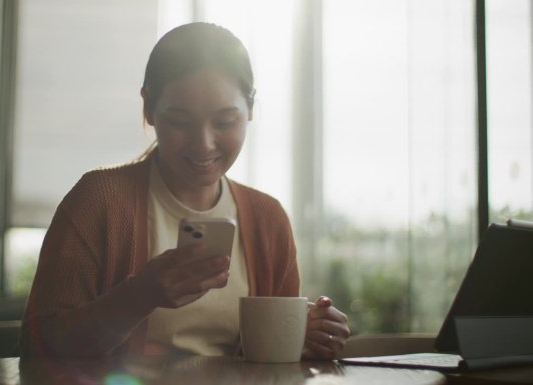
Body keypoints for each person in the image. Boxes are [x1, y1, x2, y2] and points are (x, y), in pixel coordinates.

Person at [20, 22, 350, 361]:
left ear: (250, 110)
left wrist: (307, 334)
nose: (203, 144)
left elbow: (275, 365)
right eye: (179, 121)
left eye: (224, 122)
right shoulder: (99, 201)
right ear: (148, 108)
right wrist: (140, 295)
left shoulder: (268, 218)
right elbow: (39, 347)